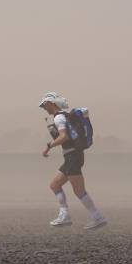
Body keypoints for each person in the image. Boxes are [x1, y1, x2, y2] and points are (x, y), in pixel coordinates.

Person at [39, 92, 108, 230]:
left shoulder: (59, 118)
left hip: (72, 157)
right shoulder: (64, 116)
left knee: (79, 191)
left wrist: (48, 147)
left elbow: (63, 137)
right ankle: (65, 216)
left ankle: (97, 216)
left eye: (45, 105)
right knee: (55, 185)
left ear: (51, 103)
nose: (44, 108)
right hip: (72, 157)